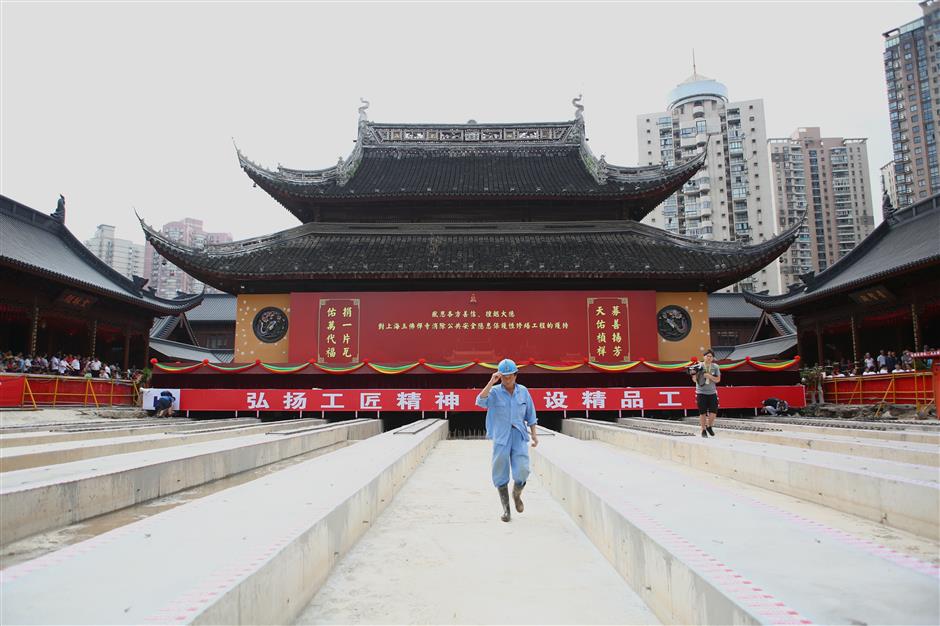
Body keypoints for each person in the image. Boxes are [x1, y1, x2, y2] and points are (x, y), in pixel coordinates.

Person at [475, 358, 538, 523]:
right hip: (501, 437)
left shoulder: (523, 391)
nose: (507, 379)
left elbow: (531, 414)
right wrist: (491, 381)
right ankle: (506, 509)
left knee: (523, 470)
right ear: (499, 376)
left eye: (510, 376)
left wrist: (534, 435)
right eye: (504, 376)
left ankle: (517, 494)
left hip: (519, 435)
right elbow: (480, 401)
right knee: (500, 472)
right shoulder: (494, 392)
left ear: (516, 375)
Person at [691, 349, 721, 438]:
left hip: (712, 392)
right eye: (707, 356)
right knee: (702, 412)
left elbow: (718, 380)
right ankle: (703, 430)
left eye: (711, 356)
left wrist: (709, 376)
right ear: (703, 357)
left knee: (714, 411)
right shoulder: (698, 366)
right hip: (701, 392)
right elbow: (693, 380)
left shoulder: (715, 367)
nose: (709, 358)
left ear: (713, 358)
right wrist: (696, 375)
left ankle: (709, 426)